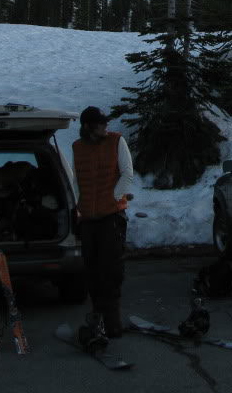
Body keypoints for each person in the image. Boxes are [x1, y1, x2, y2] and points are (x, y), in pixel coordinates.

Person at [72, 106, 134, 338]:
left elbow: (127, 173)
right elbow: (77, 180)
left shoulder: (116, 142)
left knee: (112, 271)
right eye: (100, 123)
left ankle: (113, 322)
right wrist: (78, 208)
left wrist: (115, 198)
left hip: (111, 218)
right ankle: (97, 318)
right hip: (88, 218)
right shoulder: (77, 147)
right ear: (88, 126)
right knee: (92, 271)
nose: (105, 126)